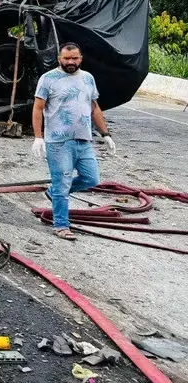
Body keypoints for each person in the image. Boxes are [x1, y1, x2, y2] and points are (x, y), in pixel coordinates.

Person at [32, 42, 116, 241]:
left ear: (81, 58)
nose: (70, 62)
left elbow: (94, 107)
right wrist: (38, 137)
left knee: (91, 178)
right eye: (66, 58)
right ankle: (61, 225)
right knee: (62, 183)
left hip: (84, 140)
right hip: (58, 142)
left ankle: (53, 193)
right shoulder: (48, 79)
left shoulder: (88, 78)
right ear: (59, 59)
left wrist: (105, 134)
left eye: (74, 58)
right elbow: (38, 108)